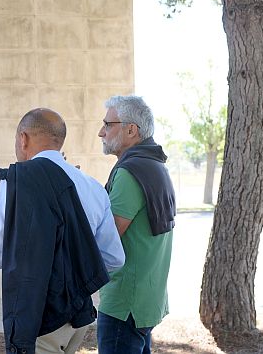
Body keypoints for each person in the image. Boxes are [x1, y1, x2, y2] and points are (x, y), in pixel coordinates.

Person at [0, 108, 125, 354]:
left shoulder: (15, 184)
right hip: (78, 317)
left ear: (23, 138)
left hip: (38, 318)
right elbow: (114, 259)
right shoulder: (92, 186)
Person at [96, 95, 175, 354]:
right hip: (146, 301)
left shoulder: (129, 172)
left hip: (124, 305)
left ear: (131, 130)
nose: (101, 132)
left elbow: (108, 238)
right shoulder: (156, 166)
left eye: (108, 124)